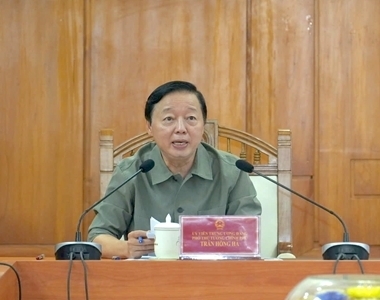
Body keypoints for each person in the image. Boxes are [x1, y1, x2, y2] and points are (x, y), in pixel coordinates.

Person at [88, 81, 261, 258]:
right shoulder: (132, 171)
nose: (180, 129)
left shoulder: (232, 171)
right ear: (149, 127)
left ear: (203, 125)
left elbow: (249, 237)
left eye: (191, 118)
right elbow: (98, 237)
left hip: (213, 274)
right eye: (169, 119)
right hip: (148, 275)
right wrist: (126, 248)